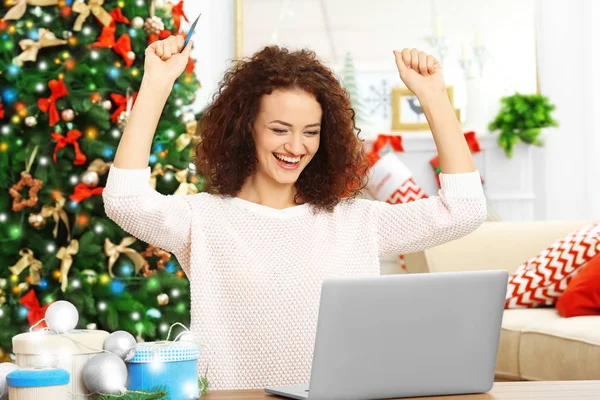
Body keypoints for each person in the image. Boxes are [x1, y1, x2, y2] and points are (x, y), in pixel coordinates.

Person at [103, 35, 486, 391]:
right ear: (247, 127)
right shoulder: (203, 219)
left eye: (310, 132)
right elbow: (124, 200)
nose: (295, 146)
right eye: (280, 129)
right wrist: (156, 84)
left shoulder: (355, 221)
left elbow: (464, 210)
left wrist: (433, 96)